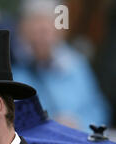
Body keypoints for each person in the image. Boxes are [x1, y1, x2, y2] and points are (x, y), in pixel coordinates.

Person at [11, 0, 111, 132]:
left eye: (46, 30)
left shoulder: (76, 65)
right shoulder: (15, 69)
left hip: (78, 139)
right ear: (24, 31)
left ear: (59, 31)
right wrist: (49, 124)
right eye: (36, 30)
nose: (42, 37)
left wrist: (79, 124)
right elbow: (12, 118)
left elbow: (99, 110)